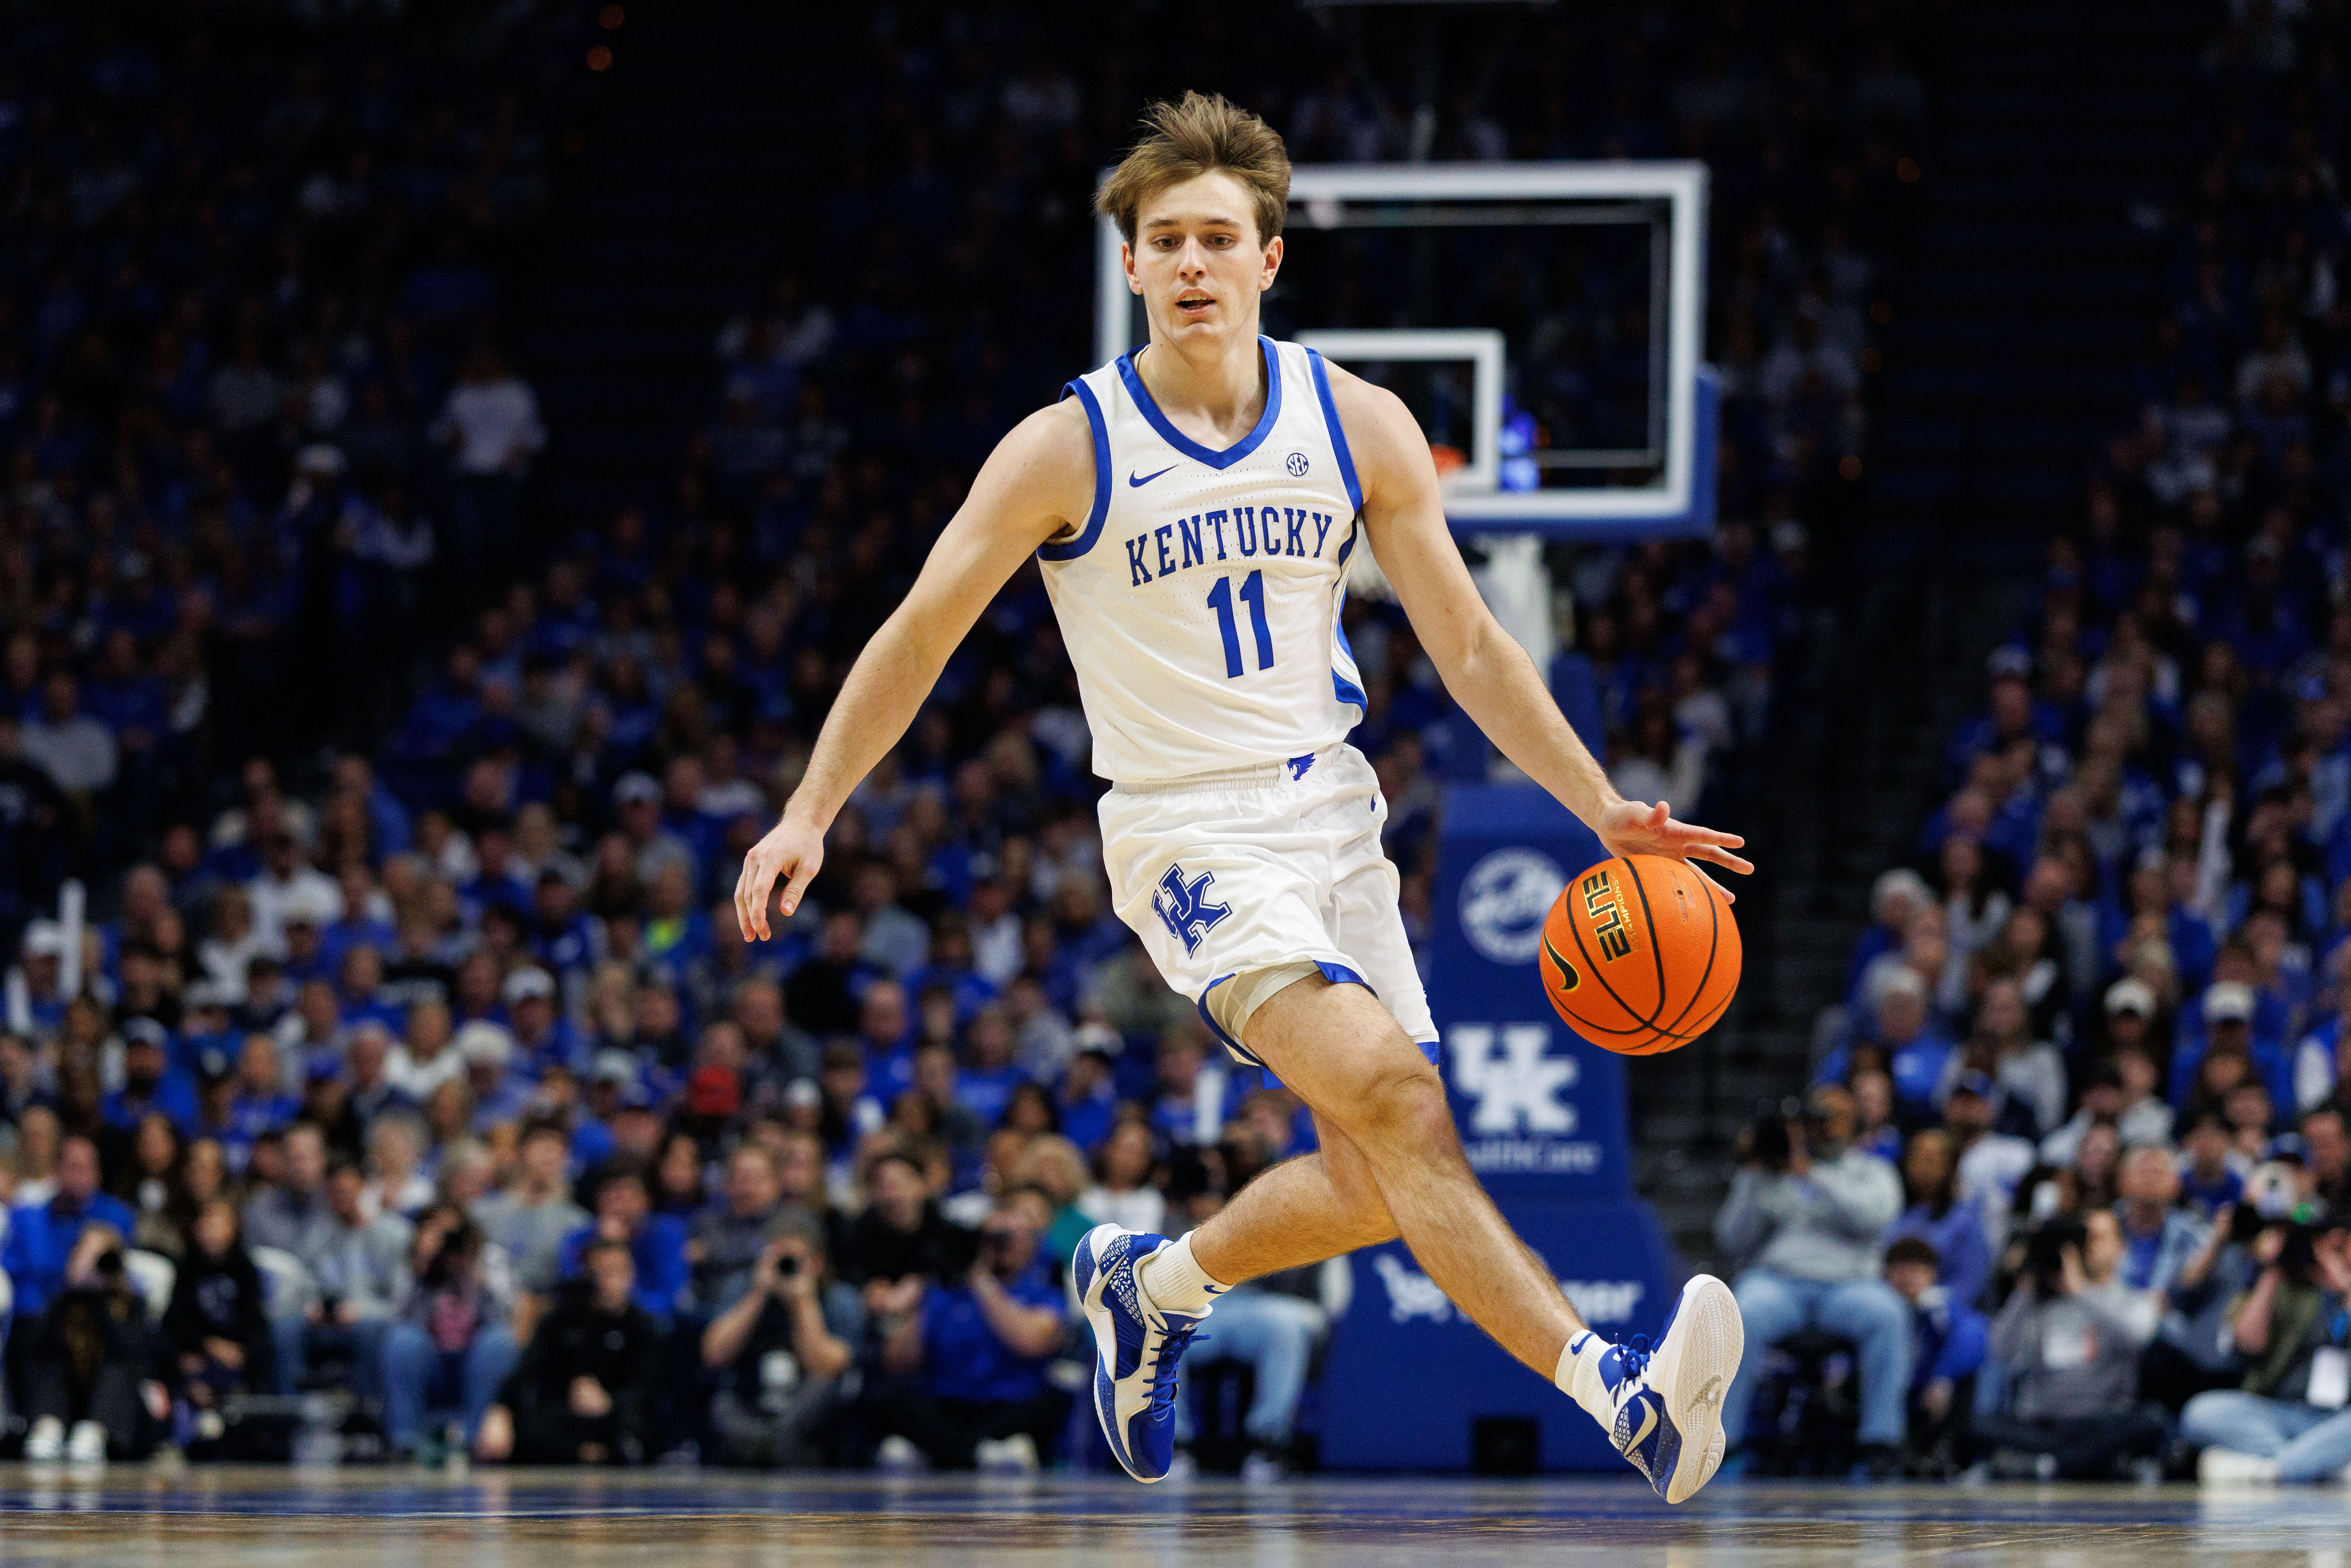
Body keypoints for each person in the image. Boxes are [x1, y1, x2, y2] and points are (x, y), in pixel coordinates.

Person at [731, 92, 1752, 1499]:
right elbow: (918, 631)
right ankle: (1625, 1397)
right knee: (1404, 1098)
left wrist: (1600, 807)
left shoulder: (1361, 422)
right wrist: (811, 808)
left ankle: (1155, 1287)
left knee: (1372, 1179)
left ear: (1271, 258)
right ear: (1134, 268)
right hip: (1186, 829)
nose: (1195, 262)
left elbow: (1467, 642)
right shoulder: (1066, 448)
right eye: (1168, 240)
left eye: (1221, 236)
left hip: (1334, 816)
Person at [1712, 1083, 1910, 1473]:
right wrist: (1753, 1175)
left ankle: (1880, 1444)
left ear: (1854, 1125)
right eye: (1815, 1117)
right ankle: (1723, 1443)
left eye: (1832, 1117)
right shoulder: (1775, 1172)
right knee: (1740, 1311)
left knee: (1888, 1315)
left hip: (1850, 1287)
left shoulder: (1872, 1171)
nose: (1822, 1126)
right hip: (1779, 1285)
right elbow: (1731, 1241)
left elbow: (1873, 1218)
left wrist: (1813, 1174)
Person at [868, 1195, 1069, 1472]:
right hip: (948, 1403)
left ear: (1032, 1243)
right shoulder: (945, 1289)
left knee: (1050, 1403)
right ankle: (979, 1453)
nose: (1000, 1245)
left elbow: (1031, 1342)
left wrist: (982, 1280)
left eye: (1009, 1236)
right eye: (992, 1237)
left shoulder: (1042, 1290)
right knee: (888, 1397)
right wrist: (922, 1297)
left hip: (1009, 1403)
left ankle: (944, 1452)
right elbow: (897, 1362)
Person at [1976, 1211, 2169, 1479]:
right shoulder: (2038, 1305)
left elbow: (2135, 1340)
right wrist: (2025, 1288)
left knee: (2153, 1420)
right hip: (2043, 1424)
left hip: (2099, 1420)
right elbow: (1998, 1351)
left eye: (2096, 1239)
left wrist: (2081, 1291)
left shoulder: (2131, 1301)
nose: (2087, 1248)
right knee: (1978, 1424)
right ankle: (2081, 1463)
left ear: (2121, 1248)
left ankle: (2045, 1466)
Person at [2182, 1219, 2351, 1484]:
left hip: (2337, 1419)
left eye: (2341, 1247)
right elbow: (2249, 1342)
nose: (2332, 1254)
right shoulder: (2286, 1289)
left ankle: (2275, 1470)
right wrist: (2272, 1271)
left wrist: (2345, 1289)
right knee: (2201, 1411)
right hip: (2277, 1413)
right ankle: (2316, 1464)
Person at [475, 1237, 663, 1466]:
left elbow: (647, 1389)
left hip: (615, 1422)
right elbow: (524, 1373)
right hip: (565, 1424)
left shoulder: (643, 1328)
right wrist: (500, 1411)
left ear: (631, 1275)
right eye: (601, 1273)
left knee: (644, 1425)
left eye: (618, 1272)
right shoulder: (562, 1321)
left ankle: (606, 1454)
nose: (610, 1282)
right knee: (528, 1426)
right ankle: (585, 1454)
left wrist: (610, 1402)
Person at [700, 1218, 863, 1468]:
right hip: (752, 1406)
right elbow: (715, 1355)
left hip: (804, 1414)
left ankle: (769, 1446)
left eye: (795, 1259)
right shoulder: (744, 1287)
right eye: (778, 1257)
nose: (785, 1267)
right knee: (721, 1404)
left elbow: (827, 1369)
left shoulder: (840, 1299)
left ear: (818, 1263)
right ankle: (769, 1445)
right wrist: (758, 1294)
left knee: (822, 1389)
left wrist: (804, 1301)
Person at [382, 1204, 519, 1462]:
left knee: (499, 1341)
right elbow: (400, 1318)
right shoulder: (416, 1263)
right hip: (431, 1362)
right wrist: (424, 1270)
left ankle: (475, 1442)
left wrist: (480, 1281)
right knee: (403, 1340)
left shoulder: (488, 1260)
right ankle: (405, 1442)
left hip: (475, 1362)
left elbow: (505, 1319)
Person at [17, 1223, 163, 1465]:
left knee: (115, 1367)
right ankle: (48, 1426)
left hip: (115, 1410)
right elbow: (34, 1348)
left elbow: (132, 1355)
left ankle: (94, 1432)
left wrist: (101, 1301)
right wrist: (72, 1291)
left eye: (100, 1256)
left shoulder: (132, 1304)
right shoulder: (63, 1300)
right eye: (86, 1254)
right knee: (54, 1362)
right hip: (68, 1402)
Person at [1882, 1235, 1984, 1475]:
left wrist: (1942, 1376)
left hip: (1927, 1398)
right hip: (1895, 1397)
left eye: (1916, 1269)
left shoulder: (1939, 1306)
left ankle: (1944, 1450)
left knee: (1966, 1377)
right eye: (1899, 1269)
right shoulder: (1876, 1310)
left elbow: (1973, 1338)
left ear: (1932, 1274)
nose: (1907, 1277)